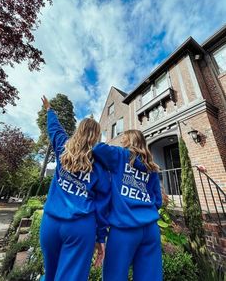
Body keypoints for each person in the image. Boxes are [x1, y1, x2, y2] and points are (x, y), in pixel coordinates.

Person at [39, 96, 110, 281]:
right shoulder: (100, 168)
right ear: (96, 137)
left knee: (51, 274)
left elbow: (54, 128)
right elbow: (102, 206)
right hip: (79, 229)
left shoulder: (63, 148)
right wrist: (101, 238)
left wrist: (49, 110)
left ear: (79, 131)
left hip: (50, 224)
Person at [93, 130, 162, 281]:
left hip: (124, 228)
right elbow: (157, 201)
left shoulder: (120, 155)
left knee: (114, 276)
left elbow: (97, 149)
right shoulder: (150, 165)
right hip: (151, 229)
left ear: (129, 141)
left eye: (123, 140)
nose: (121, 142)